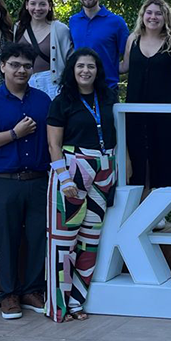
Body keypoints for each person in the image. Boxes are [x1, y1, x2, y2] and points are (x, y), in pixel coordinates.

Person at [0, 41, 51, 320]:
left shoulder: (42, 100)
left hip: (38, 180)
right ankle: (9, 294)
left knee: (38, 237)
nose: (21, 70)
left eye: (27, 66)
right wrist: (14, 133)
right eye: (15, 65)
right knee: (6, 239)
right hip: (3, 181)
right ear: (3, 66)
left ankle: (32, 290)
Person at [46, 48, 117, 322]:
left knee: (90, 241)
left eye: (91, 66)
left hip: (104, 169)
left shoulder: (108, 97)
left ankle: (76, 302)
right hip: (73, 169)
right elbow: (53, 144)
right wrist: (63, 177)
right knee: (64, 243)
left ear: (97, 70)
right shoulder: (63, 100)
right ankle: (58, 306)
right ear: (72, 71)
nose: (85, 71)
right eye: (80, 67)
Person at [121, 0, 171, 193]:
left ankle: (161, 204)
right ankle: (141, 201)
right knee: (138, 154)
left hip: (167, 110)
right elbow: (124, 66)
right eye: (149, 13)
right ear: (143, 16)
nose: (153, 17)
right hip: (135, 109)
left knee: (165, 153)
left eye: (158, 13)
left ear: (165, 17)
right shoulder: (132, 39)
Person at [68, 0, 130, 90]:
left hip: (107, 90)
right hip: (78, 91)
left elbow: (129, 58)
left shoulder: (116, 22)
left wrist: (111, 69)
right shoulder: (73, 21)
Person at [15, 0, 73, 98]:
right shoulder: (18, 28)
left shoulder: (60, 29)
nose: (37, 8)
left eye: (42, 4)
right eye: (33, 4)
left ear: (50, 6)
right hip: (25, 84)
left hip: (53, 85)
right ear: (27, 5)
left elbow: (70, 59)